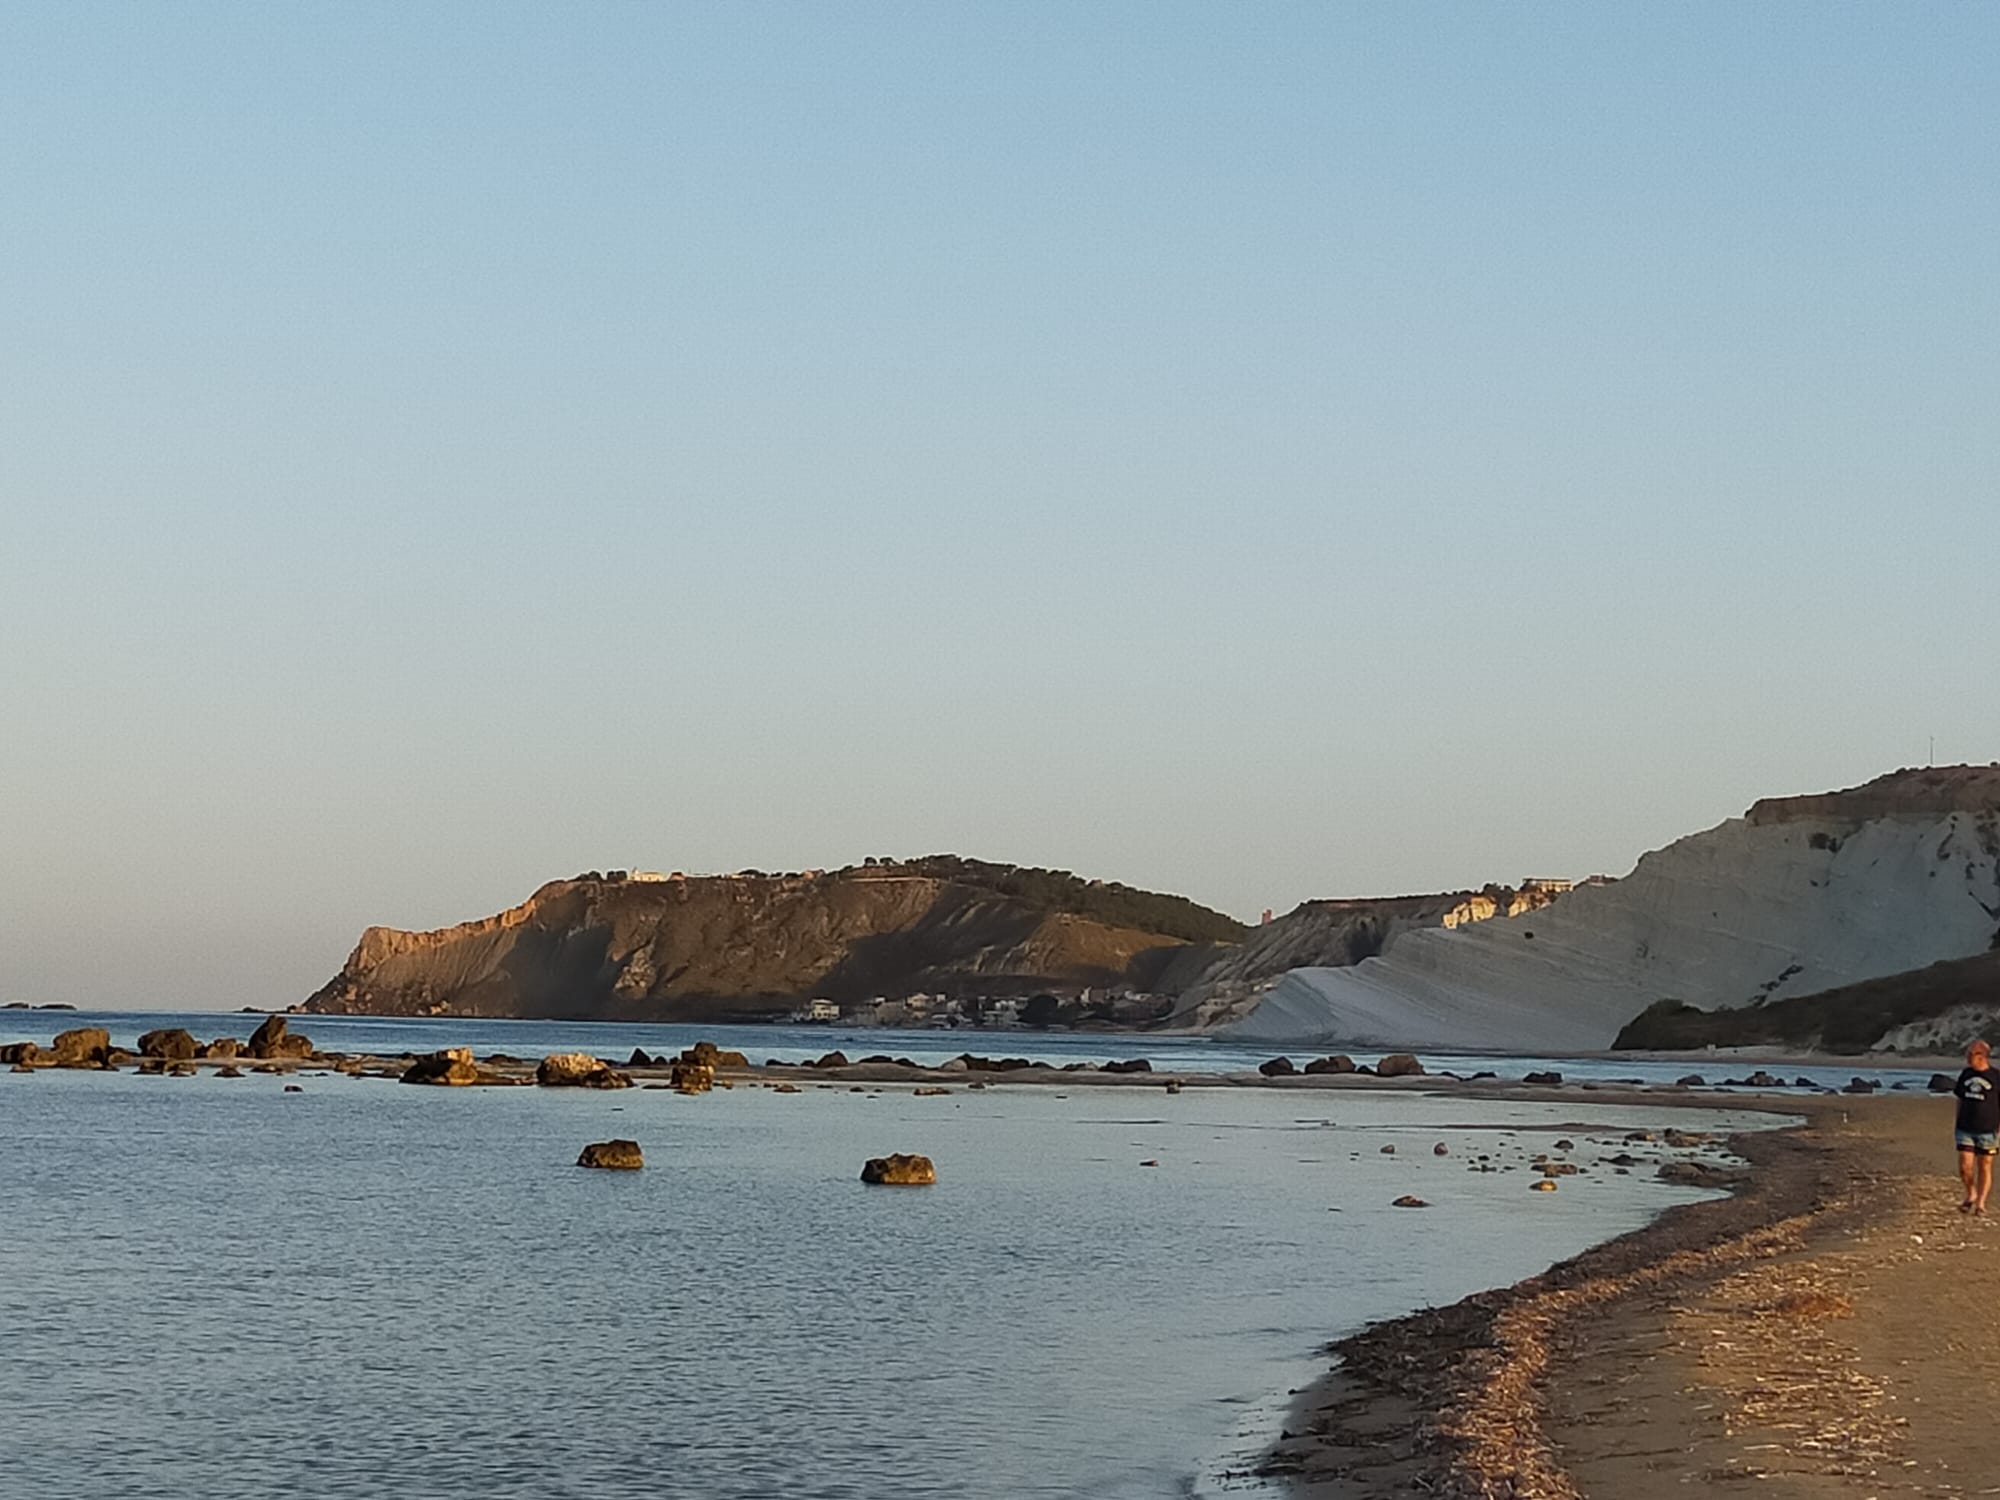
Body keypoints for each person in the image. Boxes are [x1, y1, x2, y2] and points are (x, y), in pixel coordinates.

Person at [1953, 1039, 2000, 1214]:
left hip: (1989, 1129)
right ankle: (1970, 1193)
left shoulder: (1996, 1076)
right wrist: (1957, 1120)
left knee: (1985, 1165)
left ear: (1981, 1056)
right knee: (1965, 1166)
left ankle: (1981, 1203)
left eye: (1970, 1054)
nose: (1968, 1058)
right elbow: (1959, 1098)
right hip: (1965, 1127)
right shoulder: (1966, 1074)